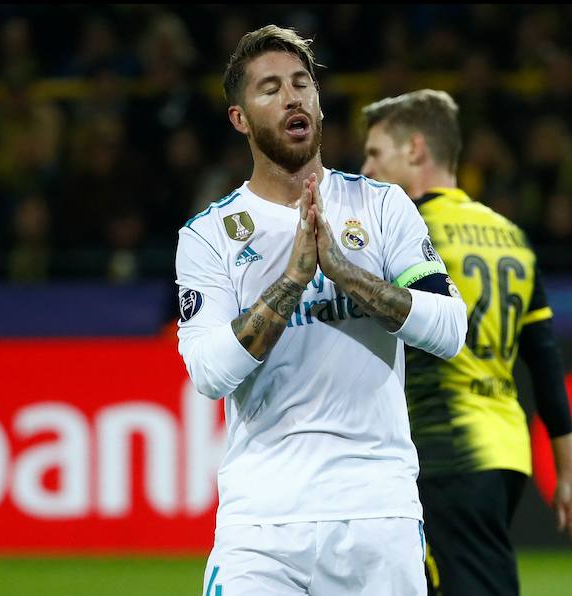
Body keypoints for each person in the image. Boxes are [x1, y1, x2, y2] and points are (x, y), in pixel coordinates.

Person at [175, 27, 467, 595]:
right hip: (260, 527)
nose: (292, 97)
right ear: (240, 119)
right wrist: (291, 282)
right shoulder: (210, 235)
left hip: (377, 517)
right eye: (271, 88)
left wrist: (350, 276)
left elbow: (450, 328)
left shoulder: (382, 208)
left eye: (302, 84)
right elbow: (209, 374)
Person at [361, 89, 572, 596]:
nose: (365, 170)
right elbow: (543, 357)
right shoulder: (511, 235)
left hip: (444, 446)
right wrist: (569, 466)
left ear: (415, 150)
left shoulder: (406, 233)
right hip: (506, 450)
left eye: (375, 153)